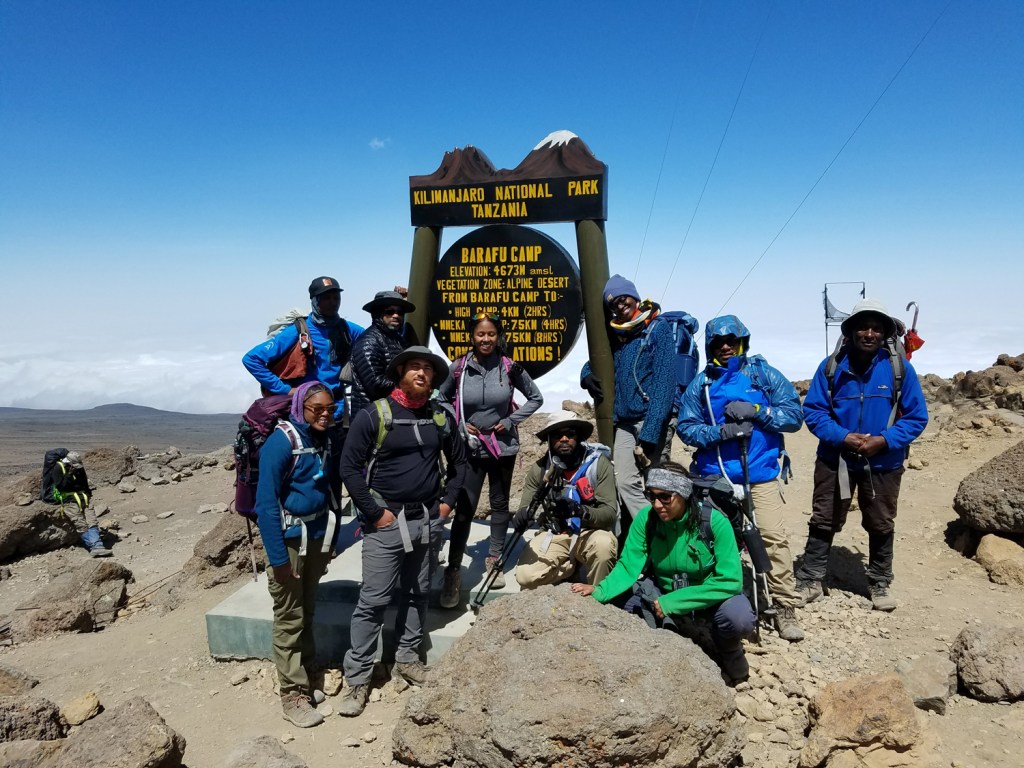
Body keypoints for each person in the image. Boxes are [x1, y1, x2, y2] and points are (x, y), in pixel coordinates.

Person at [338, 346, 468, 716]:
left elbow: (459, 464)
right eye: (415, 368)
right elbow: (349, 469)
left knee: (417, 592)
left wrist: (446, 504)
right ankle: (359, 678)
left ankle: (407, 658)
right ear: (400, 373)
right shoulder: (374, 416)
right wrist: (375, 513)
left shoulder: (440, 417)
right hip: (386, 523)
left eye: (428, 369)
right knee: (374, 600)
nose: (422, 374)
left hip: (427, 518)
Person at [676, 315, 805, 642]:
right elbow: (686, 427)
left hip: (759, 474)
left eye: (731, 340)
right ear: (709, 347)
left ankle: (784, 604)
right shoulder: (700, 384)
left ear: (742, 340)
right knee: (717, 542)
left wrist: (758, 412)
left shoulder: (764, 374)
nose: (725, 346)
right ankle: (719, 601)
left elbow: (793, 417)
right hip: (715, 479)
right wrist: (720, 432)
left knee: (772, 536)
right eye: (718, 342)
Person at [796, 299, 928, 612]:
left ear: (884, 334)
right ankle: (811, 579)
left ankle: (880, 582)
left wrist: (884, 440)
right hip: (835, 460)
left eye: (876, 328)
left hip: (883, 463)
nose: (869, 333)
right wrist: (842, 437)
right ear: (852, 331)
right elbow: (813, 411)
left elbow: (916, 416)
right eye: (863, 327)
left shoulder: (899, 369)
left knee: (881, 521)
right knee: (824, 517)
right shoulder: (831, 367)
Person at [571, 462, 755, 684]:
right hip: (662, 596)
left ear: (684, 494)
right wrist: (598, 591)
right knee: (618, 601)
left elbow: (731, 582)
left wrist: (675, 601)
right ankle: (670, 640)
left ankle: (727, 648)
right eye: (651, 496)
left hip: (707, 600)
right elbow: (628, 566)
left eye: (665, 497)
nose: (657, 504)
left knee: (739, 618)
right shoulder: (646, 519)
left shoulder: (715, 522)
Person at [435, 312, 543, 606]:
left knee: (499, 503)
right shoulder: (458, 367)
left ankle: (494, 559)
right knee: (465, 507)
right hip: (469, 447)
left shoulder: (510, 367)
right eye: (480, 334)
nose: (486, 339)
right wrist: (458, 422)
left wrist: (510, 421)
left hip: (501, 446)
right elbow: (441, 398)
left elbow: (536, 398)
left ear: (498, 336)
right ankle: (454, 570)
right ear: (472, 336)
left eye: (491, 334)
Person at [254, 381, 341, 729]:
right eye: (316, 408)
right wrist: (277, 559)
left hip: (317, 537)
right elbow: (265, 505)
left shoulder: (322, 440)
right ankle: (292, 695)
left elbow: (327, 490)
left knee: (307, 610)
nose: (324, 414)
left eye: (329, 409)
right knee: (289, 616)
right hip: (290, 543)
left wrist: (330, 540)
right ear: (301, 406)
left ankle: (305, 677)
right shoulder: (280, 443)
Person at [580, 275, 677, 539]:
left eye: (623, 299)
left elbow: (664, 386)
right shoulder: (619, 335)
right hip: (625, 421)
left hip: (651, 420)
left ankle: (669, 540)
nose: (620, 306)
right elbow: (599, 359)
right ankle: (654, 536)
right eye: (614, 304)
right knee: (624, 481)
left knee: (657, 484)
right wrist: (585, 374)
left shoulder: (658, 329)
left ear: (634, 296)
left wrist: (649, 435)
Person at [513, 414, 618, 589]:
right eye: (557, 435)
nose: (564, 439)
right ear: (549, 440)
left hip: (590, 532)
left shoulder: (598, 465)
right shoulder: (540, 469)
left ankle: (599, 597)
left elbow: (609, 514)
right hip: (554, 533)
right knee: (526, 577)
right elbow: (526, 506)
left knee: (604, 546)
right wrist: (522, 516)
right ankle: (569, 568)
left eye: (570, 434)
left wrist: (580, 511)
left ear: (580, 437)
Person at [242, 276, 364, 421]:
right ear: (315, 301)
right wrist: (285, 390)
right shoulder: (298, 331)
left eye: (336, 298)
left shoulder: (347, 329)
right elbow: (251, 359)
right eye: (326, 298)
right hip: (306, 412)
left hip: (336, 409)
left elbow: (376, 338)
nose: (333, 302)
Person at [350, 289, 415, 416]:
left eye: (400, 312)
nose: (396, 315)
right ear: (378, 314)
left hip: (391, 413)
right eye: (390, 312)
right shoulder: (368, 342)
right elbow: (376, 386)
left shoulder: (398, 339)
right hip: (372, 418)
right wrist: (411, 383)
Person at [46, 451, 112, 558]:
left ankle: (97, 546)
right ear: (69, 462)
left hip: (83, 497)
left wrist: (88, 493)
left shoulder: (79, 467)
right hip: (69, 499)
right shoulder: (58, 468)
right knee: (80, 524)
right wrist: (69, 474)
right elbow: (61, 486)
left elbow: (84, 482)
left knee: (92, 520)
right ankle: (95, 546)